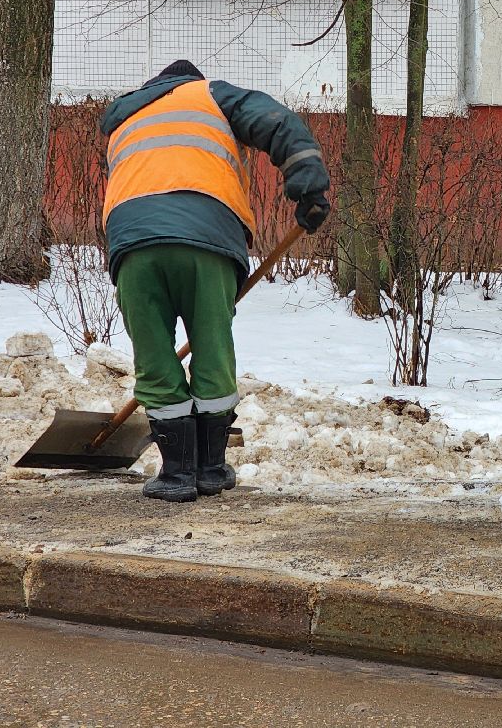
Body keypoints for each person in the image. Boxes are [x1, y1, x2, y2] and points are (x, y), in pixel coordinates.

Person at [101, 59, 331, 503]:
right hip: (207, 236)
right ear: (191, 81)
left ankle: (175, 473)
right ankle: (210, 468)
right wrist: (309, 188)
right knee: (212, 346)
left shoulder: (123, 116)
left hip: (133, 242)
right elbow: (277, 122)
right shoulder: (211, 95)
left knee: (153, 353)